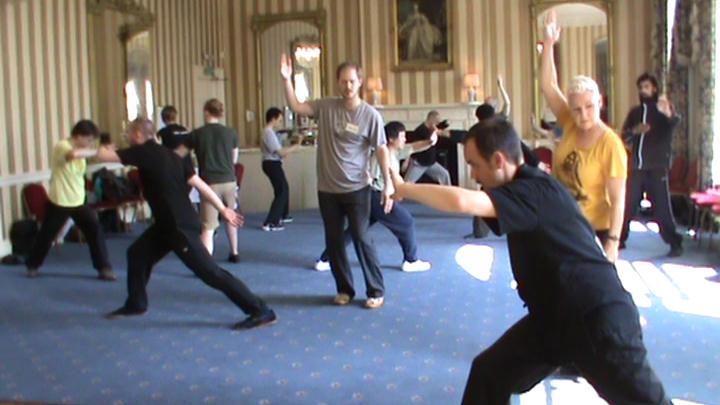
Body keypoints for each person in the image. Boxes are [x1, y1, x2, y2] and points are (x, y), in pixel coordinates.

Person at [391, 117, 670, 405]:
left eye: (474, 164)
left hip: (597, 318)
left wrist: (405, 187)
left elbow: (463, 202)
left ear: (499, 160)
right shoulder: (522, 182)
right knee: (489, 373)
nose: (473, 175)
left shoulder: (532, 192)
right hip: (554, 318)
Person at [96, 118, 276, 330]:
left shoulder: (144, 151)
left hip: (178, 227)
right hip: (169, 224)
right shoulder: (174, 157)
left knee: (211, 273)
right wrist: (223, 209)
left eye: (128, 133)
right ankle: (136, 303)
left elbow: (102, 155)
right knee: (137, 253)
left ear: (137, 135)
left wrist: (92, 144)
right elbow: (200, 185)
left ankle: (260, 310)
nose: (126, 136)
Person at [281, 54, 393, 309]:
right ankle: (345, 289)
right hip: (327, 189)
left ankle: (375, 289)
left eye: (352, 81)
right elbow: (297, 107)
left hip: (357, 189)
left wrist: (388, 182)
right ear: (337, 83)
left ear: (360, 82)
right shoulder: (326, 107)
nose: (347, 86)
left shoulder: (370, 115)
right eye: (343, 82)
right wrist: (286, 79)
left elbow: (382, 148)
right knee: (333, 241)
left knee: (362, 238)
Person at [540, 10, 627, 263]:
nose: (583, 114)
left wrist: (613, 242)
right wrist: (548, 44)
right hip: (563, 223)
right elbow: (548, 86)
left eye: (589, 106)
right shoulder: (568, 121)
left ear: (599, 103)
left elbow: (618, 200)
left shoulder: (610, 144)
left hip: (594, 230)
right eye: (576, 108)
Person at [314, 121, 433, 273]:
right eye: (402, 136)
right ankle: (411, 260)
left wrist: (430, 141)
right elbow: (370, 178)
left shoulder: (395, 152)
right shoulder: (379, 156)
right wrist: (386, 195)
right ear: (391, 139)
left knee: (355, 230)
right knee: (406, 222)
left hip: (375, 197)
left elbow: (414, 147)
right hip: (376, 196)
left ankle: (325, 259)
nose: (404, 139)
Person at [25, 120, 115, 281]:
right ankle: (32, 265)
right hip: (60, 201)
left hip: (78, 201)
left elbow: (87, 158)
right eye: (88, 140)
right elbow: (71, 155)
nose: (89, 144)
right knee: (47, 235)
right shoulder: (62, 146)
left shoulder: (82, 151)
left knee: (95, 231)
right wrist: (96, 151)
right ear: (78, 136)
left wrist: (107, 152)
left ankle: (104, 268)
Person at [620, 73, 683, 257]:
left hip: (657, 167)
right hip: (636, 167)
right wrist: (635, 130)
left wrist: (669, 113)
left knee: (662, 208)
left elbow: (674, 123)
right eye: (640, 88)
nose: (643, 90)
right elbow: (625, 136)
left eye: (646, 87)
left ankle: (675, 243)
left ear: (654, 88)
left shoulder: (662, 109)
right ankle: (619, 239)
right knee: (628, 206)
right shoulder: (634, 112)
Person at [186, 99, 241, 263]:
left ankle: (206, 263)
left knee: (208, 226)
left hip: (209, 183)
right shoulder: (231, 133)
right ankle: (235, 252)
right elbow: (235, 158)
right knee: (231, 217)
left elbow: (183, 155)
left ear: (206, 112)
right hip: (229, 180)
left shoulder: (197, 134)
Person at [260, 107, 302, 231]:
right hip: (271, 164)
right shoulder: (268, 132)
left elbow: (281, 151)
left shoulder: (271, 132)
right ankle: (270, 222)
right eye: (279, 120)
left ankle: (283, 215)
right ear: (273, 118)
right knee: (282, 190)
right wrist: (297, 145)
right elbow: (281, 152)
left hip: (273, 163)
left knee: (283, 188)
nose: (280, 123)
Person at [404, 111, 452, 186]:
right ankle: (399, 196)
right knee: (407, 183)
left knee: (445, 175)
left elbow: (444, 134)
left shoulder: (432, 129)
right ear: (431, 119)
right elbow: (413, 147)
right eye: (436, 121)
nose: (437, 124)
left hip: (431, 163)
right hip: (419, 164)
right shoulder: (420, 130)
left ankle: (449, 195)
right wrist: (407, 161)